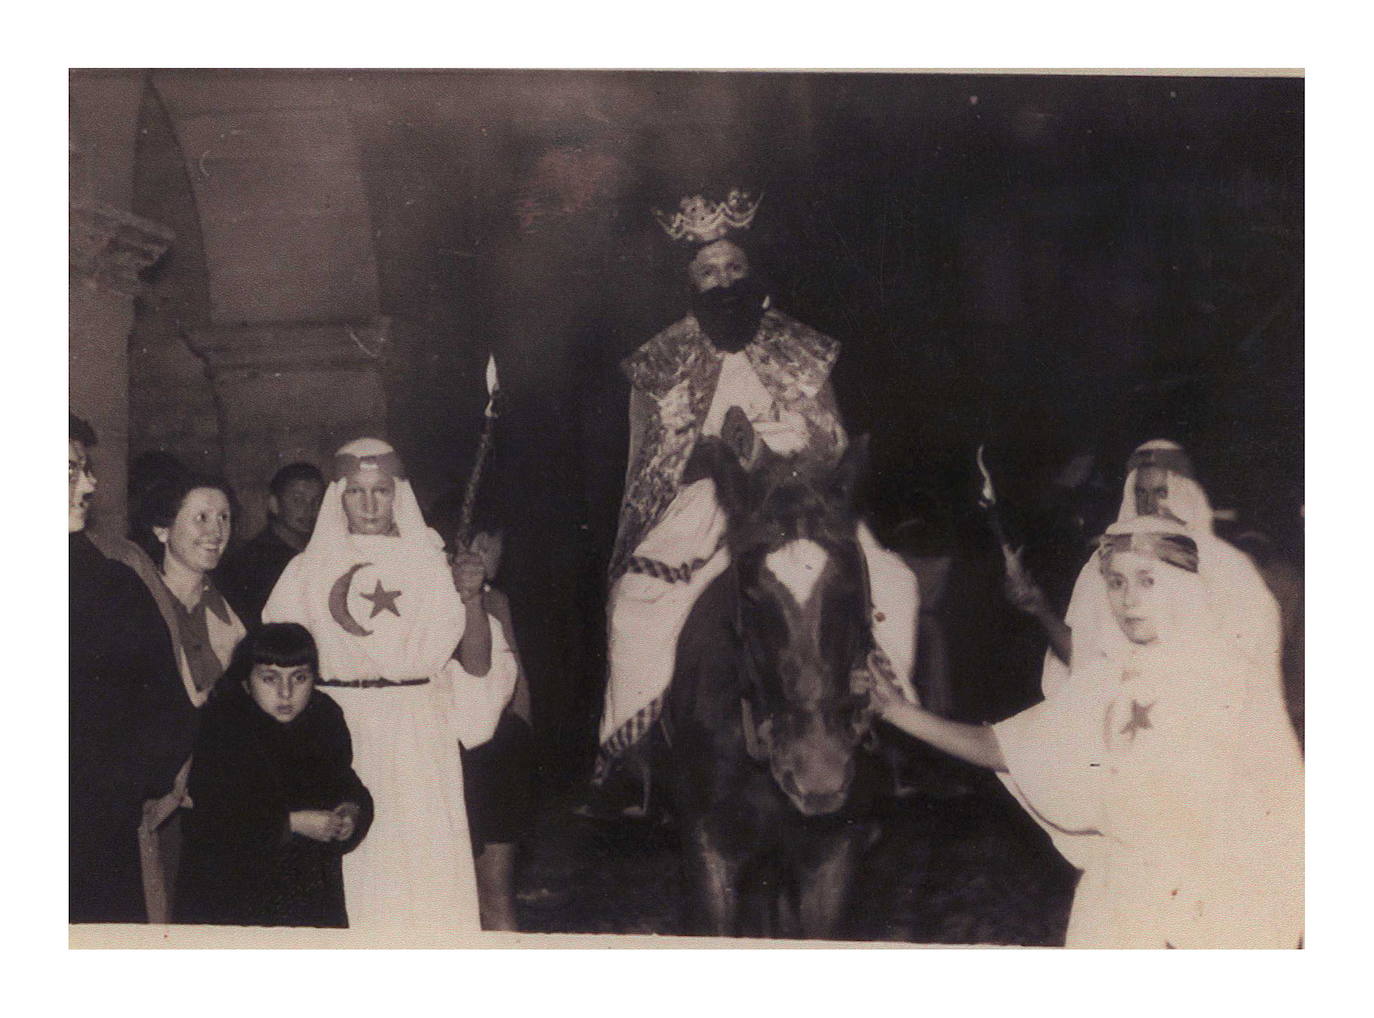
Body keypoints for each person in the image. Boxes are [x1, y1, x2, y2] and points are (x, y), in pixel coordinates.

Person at [862, 514, 1304, 948]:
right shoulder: (1107, 678)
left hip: (1208, 901)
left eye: (1148, 580)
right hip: (1118, 894)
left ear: (1185, 585)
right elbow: (1007, 746)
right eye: (1116, 581)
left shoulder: (1227, 678)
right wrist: (899, 712)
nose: (1128, 599)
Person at [597, 188, 920, 779]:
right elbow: (647, 462)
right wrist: (717, 454)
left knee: (894, 582)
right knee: (635, 605)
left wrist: (790, 448)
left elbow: (834, 441)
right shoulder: (659, 362)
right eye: (708, 272)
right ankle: (632, 757)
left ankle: (889, 722)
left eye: (733, 268)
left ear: (752, 273)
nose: (722, 283)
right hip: (706, 502)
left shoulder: (801, 350)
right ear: (690, 283)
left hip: (797, 496)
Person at [263, 438, 518, 933]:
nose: (369, 504)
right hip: (340, 729)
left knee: (425, 864)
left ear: (398, 493)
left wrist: (471, 596)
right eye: (356, 492)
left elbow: (476, 664)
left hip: (419, 730)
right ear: (339, 497)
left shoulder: (432, 563)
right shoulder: (305, 570)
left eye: (380, 491)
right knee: (357, 869)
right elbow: (279, 658)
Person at [1018, 440, 1282, 703]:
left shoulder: (1224, 564)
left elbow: (1248, 661)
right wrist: (1041, 609)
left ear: (1186, 493)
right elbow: (1082, 659)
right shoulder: (1106, 560)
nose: (1150, 505)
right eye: (1141, 493)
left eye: (1161, 492)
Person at [176, 623, 374, 927]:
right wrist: (289, 823)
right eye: (270, 679)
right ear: (246, 679)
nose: (286, 693)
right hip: (232, 896)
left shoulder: (324, 716)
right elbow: (209, 820)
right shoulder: (221, 725)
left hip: (310, 891)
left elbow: (344, 781)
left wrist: (350, 810)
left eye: (300, 678)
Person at [69, 413, 182, 923]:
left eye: (85, 469)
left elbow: (165, 704)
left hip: (91, 826)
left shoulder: (114, 584)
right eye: (70, 471)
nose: (89, 484)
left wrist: (128, 786)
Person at [128, 471, 247, 922]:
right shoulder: (136, 605)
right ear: (161, 529)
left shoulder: (231, 608)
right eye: (200, 517)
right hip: (161, 801)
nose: (216, 531)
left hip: (217, 796)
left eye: (224, 518)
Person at [219, 462, 326, 628]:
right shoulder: (251, 563)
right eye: (298, 500)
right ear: (274, 504)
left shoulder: (322, 553)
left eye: (316, 501)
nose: (309, 509)